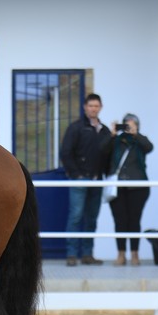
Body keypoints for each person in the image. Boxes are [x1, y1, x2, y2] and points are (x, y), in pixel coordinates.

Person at [59, 93, 112, 267]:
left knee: (92, 218)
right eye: (90, 106)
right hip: (79, 181)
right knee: (75, 216)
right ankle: (72, 254)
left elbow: (107, 154)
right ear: (85, 107)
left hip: (97, 181)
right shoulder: (76, 128)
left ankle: (88, 254)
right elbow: (66, 153)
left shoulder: (104, 131)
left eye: (96, 106)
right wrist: (77, 175)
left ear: (101, 107)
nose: (93, 109)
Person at [101, 113, 153, 266]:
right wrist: (112, 135)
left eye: (131, 125)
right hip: (117, 188)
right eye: (126, 125)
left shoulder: (140, 141)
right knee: (120, 221)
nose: (128, 128)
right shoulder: (116, 141)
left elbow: (149, 147)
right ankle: (121, 254)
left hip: (138, 187)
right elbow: (102, 150)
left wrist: (136, 134)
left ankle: (135, 254)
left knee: (134, 221)